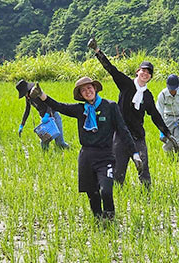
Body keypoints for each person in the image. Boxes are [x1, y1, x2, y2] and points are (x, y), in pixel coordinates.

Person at [29, 77, 142, 221]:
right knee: (92, 193)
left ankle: (110, 218)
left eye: (89, 88)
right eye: (83, 90)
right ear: (81, 95)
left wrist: (135, 154)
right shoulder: (80, 109)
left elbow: (123, 130)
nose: (87, 92)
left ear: (95, 89)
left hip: (105, 155)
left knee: (106, 191)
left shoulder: (110, 106)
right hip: (86, 156)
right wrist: (41, 94)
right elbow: (58, 106)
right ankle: (99, 221)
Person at [87, 37, 176, 187]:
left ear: (150, 77)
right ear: (137, 72)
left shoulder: (147, 96)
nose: (145, 74)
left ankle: (148, 196)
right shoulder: (126, 84)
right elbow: (111, 69)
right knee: (118, 172)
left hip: (137, 136)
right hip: (121, 135)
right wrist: (97, 51)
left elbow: (155, 115)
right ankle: (117, 198)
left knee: (144, 170)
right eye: (143, 70)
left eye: (149, 73)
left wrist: (168, 134)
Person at [16, 79, 69, 150]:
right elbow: (27, 110)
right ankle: (45, 157)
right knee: (44, 142)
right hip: (44, 119)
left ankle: (70, 149)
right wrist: (22, 125)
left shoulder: (36, 93)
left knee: (59, 143)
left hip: (53, 117)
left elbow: (49, 104)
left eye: (24, 93)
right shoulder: (28, 97)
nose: (25, 95)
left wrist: (47, 115)